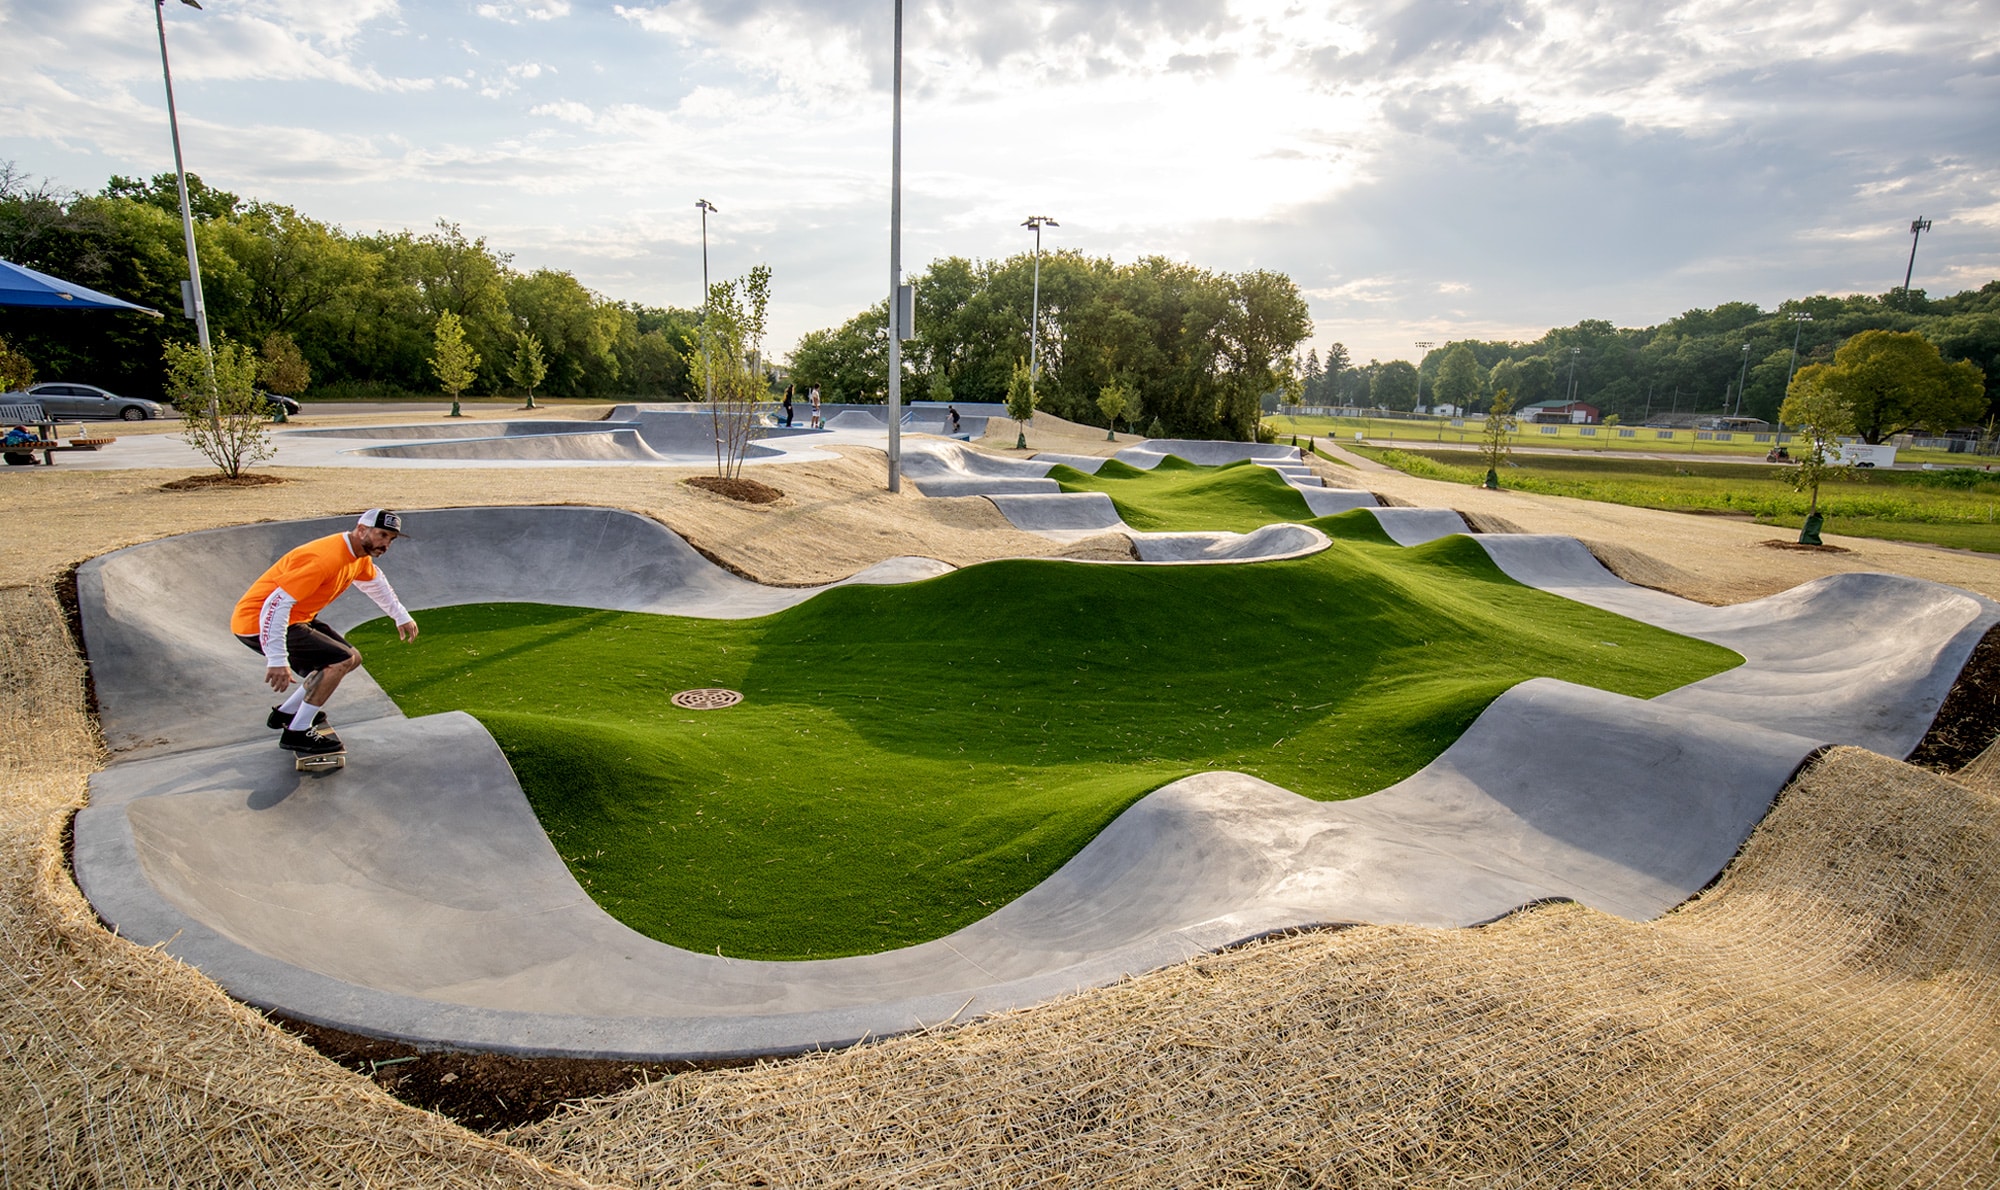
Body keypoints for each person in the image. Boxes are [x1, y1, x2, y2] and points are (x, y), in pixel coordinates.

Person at [231, 509, 419, 759]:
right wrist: (276, 658)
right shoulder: (324, 558)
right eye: (382, 535)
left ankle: (286, 713)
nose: (385, 544)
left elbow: (375, 582)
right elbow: (275, 605)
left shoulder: (358, 555)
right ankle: (297, 731)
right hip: (257, 622)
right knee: (336, 661)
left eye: (391, 539)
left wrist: (400, 614)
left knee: (352, 658)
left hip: (297, 618)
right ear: (361, 530)